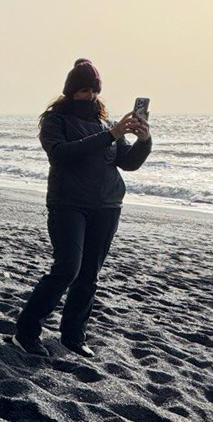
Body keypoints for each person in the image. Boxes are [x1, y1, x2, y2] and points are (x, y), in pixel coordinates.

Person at [13, 59, 152, 359]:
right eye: (83, 90)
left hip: (107, 206)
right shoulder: (55, 121)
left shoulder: (106, 124)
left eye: (94, 90)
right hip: (68, 204)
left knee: (89, 276)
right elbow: (60, 154)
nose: (90, 96)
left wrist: (144, 140)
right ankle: (26, 331)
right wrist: (111, 135)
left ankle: (73, 336)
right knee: (67, 268)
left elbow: (128, 163)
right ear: (71, 91)